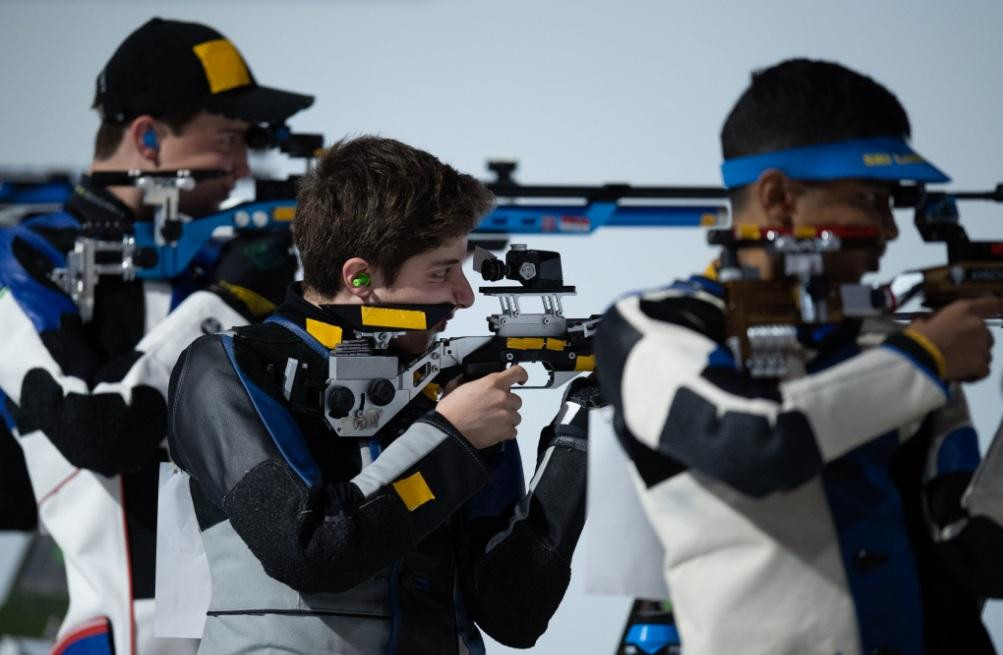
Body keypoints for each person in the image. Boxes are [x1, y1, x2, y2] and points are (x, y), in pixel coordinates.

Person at [595, 58, 1003, 655]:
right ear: (780, 198)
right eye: (871, 199)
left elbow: (980, 554)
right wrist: (921, 358)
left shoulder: (892, 346)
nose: (890, 230)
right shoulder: (657, 325)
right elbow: (755, 443)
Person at [167, 135, 597, 654]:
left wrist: (579, 431)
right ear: (360, 277)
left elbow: (514, 613)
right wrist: (450, 437)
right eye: (441, 271)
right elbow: (308, 548)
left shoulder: (445, 384)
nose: (464, 295)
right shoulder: (228, 366)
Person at [0, 17, 311, 655]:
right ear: (147, 137)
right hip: (114, 635)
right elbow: (101, 432)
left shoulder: (216, 263)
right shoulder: (28, 257)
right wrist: (225, 303)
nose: (241, 164)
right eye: (227, 137)